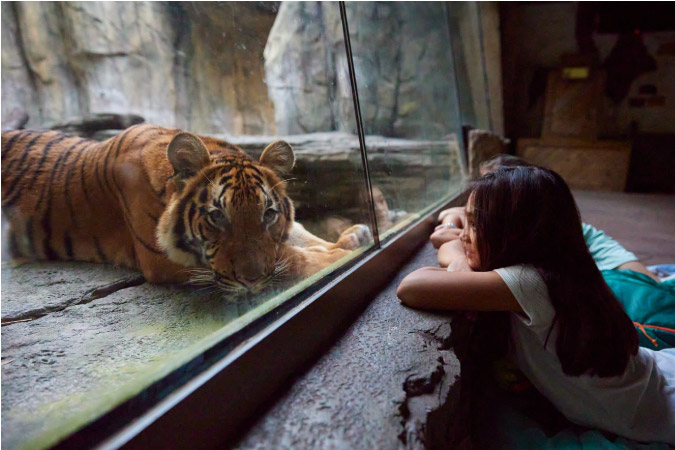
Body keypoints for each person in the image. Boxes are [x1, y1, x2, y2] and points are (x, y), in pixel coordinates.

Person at [397, 166, 675, 445]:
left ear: (515, 230)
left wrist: (459, 261)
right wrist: (461, 240)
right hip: (653, 378)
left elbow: (411, 286)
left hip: (659, 410)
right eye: (467, 223)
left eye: (476, 224)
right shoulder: (559, 267)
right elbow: (451, 228)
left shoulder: (529, 282)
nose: (463, 235)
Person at [431, 155, 660, 283]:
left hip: (615, 276)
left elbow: (641, 278)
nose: (482, 189)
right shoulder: (497, 219)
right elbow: (447, 220)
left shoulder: (542, 260)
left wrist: (458, 258)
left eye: (491, 182)